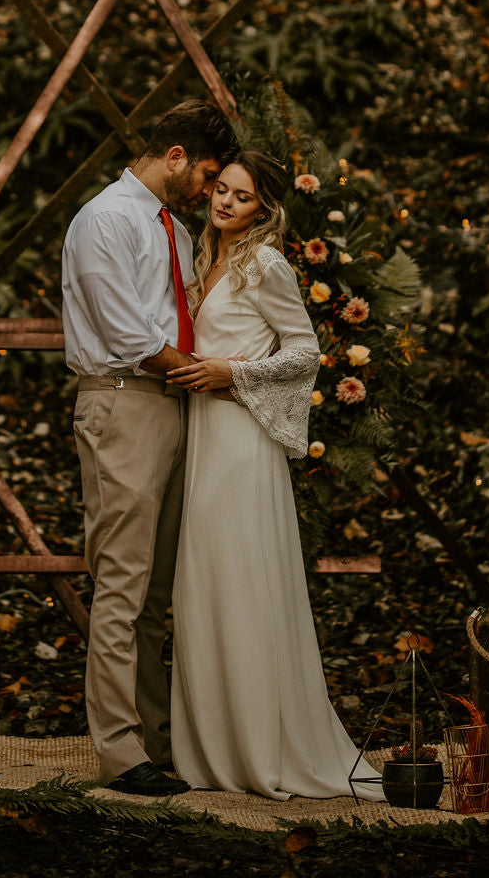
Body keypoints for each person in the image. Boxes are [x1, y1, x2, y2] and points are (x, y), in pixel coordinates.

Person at [167, 150, 384, 802]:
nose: (225, 203)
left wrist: (228, 373)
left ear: (264, 207)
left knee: (242, 579)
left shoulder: (265, 263)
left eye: (241, 196)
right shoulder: (210, 258)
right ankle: (216, 748)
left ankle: (265, 748)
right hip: (207, 435)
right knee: (207, 582)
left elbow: (304, 351)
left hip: (241, 442)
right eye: (221, 191)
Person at [61, 98, 239, 797]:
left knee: (158, 588)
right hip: (126, 403)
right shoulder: (107, 219)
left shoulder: (168, 224)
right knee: (123, 583)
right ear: (174, 157)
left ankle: (157, 740)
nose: (209, 189)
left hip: (171, 405)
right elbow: (130, 336)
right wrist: (212, 381)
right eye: (207, 173)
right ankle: (118, 750)